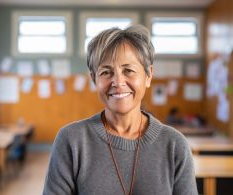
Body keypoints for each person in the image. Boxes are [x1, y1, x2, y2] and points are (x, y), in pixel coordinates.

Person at [43, 25, 198, 195]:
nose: (118, 81)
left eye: (128, 70)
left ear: (148, 75)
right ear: (94, 78)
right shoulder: (71, 140)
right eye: (106, 72)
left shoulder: (175, 145)